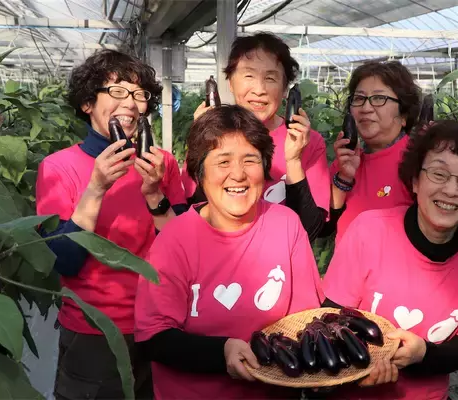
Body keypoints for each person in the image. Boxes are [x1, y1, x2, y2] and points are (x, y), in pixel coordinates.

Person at [134, 105, 325, 399]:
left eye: (250, 160)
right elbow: (153, 338)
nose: (238, 174)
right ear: (199, 173)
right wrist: (221, 351)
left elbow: (306, 318)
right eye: (223, 161)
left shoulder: (286, 225)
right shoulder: (174, 240)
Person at [36, 49, 187, 399]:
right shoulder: (58, 168)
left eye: (139, 94)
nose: (130, 103)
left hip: (160, 323)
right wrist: (96, 188)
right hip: (95, 331)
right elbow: (64, 261)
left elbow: (183, 247)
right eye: (117, 91)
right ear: (87, 103)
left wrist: (155, 194)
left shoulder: (161, 163)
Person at [321, 120, 458, 399]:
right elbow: (329, 320)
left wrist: (424, 354)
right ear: (415, 181)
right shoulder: (369, 231)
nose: (451, 190)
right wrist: (361, 367)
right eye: (439, 174)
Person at [181, 32, 330, 242]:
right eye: (249, 76)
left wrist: (294, 161)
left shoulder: (308, 142)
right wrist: (202, 144)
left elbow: (310, 231)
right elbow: (192, 209)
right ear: (230, 82)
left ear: (285, 89)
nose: (259, 90)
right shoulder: (210, 137)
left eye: (270, 78)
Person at [318, 60, 422, 243]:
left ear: (404, 115)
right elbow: (324, 227)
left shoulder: (418, 162)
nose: (366, 108)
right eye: (359, 98)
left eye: (379, 98)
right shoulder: (345, 160)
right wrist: (344, 178)